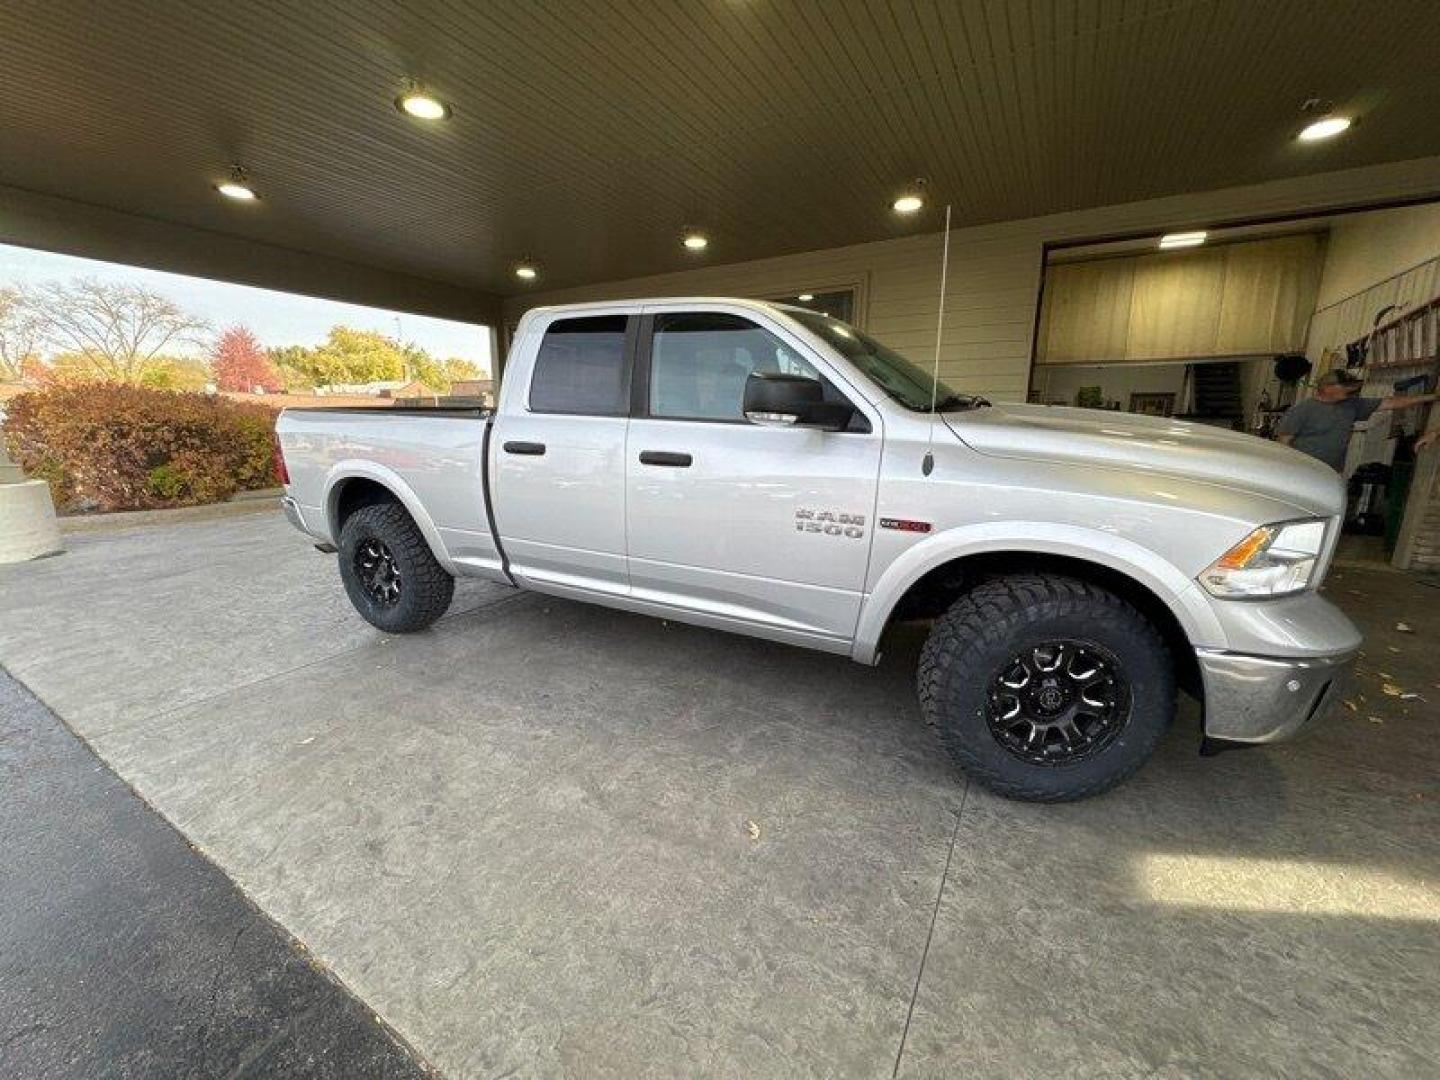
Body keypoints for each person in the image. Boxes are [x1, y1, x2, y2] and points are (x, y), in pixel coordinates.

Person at [1275, 369, 1438, 472]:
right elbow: (1283, 444)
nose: (1351, 392)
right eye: (1345, 388)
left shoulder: (1351, 405)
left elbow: (1390, 402)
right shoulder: (1302, 410)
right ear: (1327, 388)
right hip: (1303, 472)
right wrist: (1290, 471)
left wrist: (1431, 396)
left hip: (1332, 472)